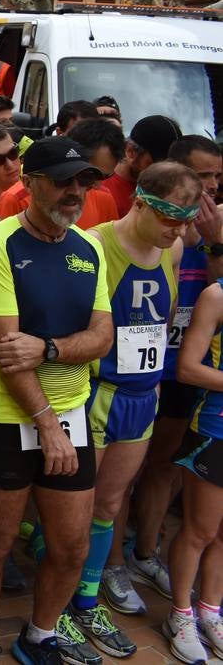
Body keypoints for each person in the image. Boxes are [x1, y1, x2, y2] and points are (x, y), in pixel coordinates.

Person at [0, 137, 113, 665]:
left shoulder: (89, 248)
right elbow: (7, 352)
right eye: (66, 180)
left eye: (84, 182)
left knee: (71, 546)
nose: (76, 192)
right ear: (33, 182)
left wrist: (48, 347)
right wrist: (45, 422)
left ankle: (40, 633)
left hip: (70, 413)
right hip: (7, 416)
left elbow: (103, 338)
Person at [61, 162, 197, 657]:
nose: (177, 229)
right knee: (70, 512)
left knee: (110, 506)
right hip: (98, 393)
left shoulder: (174, 248)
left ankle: (87, 597)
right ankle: (57, 605)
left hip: (143, 397)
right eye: (170, 217)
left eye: (185, 220)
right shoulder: (93, 244)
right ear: (140, 201)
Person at [127, 135, 223, 615]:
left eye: (215, 177)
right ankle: (116, 562)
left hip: (193, 372)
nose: (209, 187)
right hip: (148, 365)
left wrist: (215, 240)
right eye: (202, 176)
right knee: (127, 471)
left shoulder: (211, 229)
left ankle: (145, 552)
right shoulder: (159, 231)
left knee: (166, 467)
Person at [165, 269, 223, 664]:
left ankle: (211, 610)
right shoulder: (216, 296)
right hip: (215, 430)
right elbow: (188, 367)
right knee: (201, 530)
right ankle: (180, 614)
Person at [100, 115, 182, 217]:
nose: (165, 173)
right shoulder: (99, 189)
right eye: (157, 164)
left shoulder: (166, 193)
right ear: (131, 152)